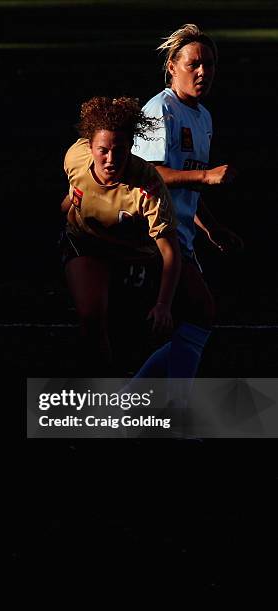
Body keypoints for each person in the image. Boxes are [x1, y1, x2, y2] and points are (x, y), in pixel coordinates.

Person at [131, 23, 243, 384]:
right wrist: (206, 177)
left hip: (183, 234)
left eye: (209, 65)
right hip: (155, 232)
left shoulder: (202, 115)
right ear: (172, 67)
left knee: (194, 323)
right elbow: (147, 173)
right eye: (193, 64)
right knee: (201, 314)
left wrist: (210, 226)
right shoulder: (159, 110)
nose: (202, 72)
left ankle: (128, 401)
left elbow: (185, 183)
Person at [61, 95, 181, 373]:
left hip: (133, 256)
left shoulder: (148, 184)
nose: (111, 159)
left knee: (135, 333)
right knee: (92, 318)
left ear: (131, 147)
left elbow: (169, 250)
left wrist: (164, 305)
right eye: (102, 150)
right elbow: (75, 188)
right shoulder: (74, 157)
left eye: (120, 150)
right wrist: (70, 202)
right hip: (85, 243)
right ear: (89, 147)